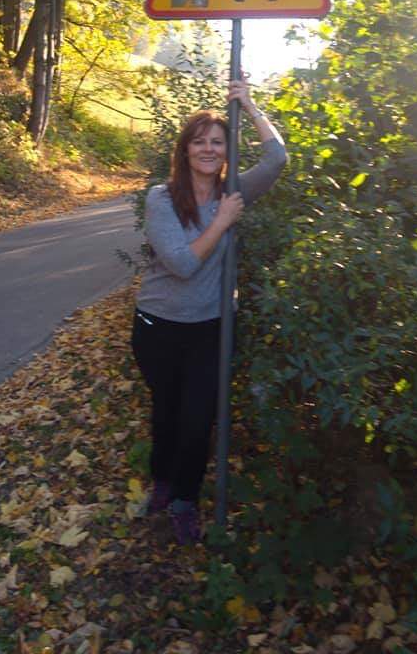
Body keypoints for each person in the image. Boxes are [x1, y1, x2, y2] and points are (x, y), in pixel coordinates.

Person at [131, 74, 287, 545]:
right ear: (184, 150)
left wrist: (250, 105)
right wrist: (220, 222)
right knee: (167, 412)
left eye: (217, 142)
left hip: (209, 327)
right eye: (199, 141)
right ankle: (162, 483)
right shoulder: (162, 198)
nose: (208, 149)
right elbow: (180, 265)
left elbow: (277, 158)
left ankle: (184, 501)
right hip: (158, 324)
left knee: (198, 419)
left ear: (226, 151)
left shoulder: (234, 190)